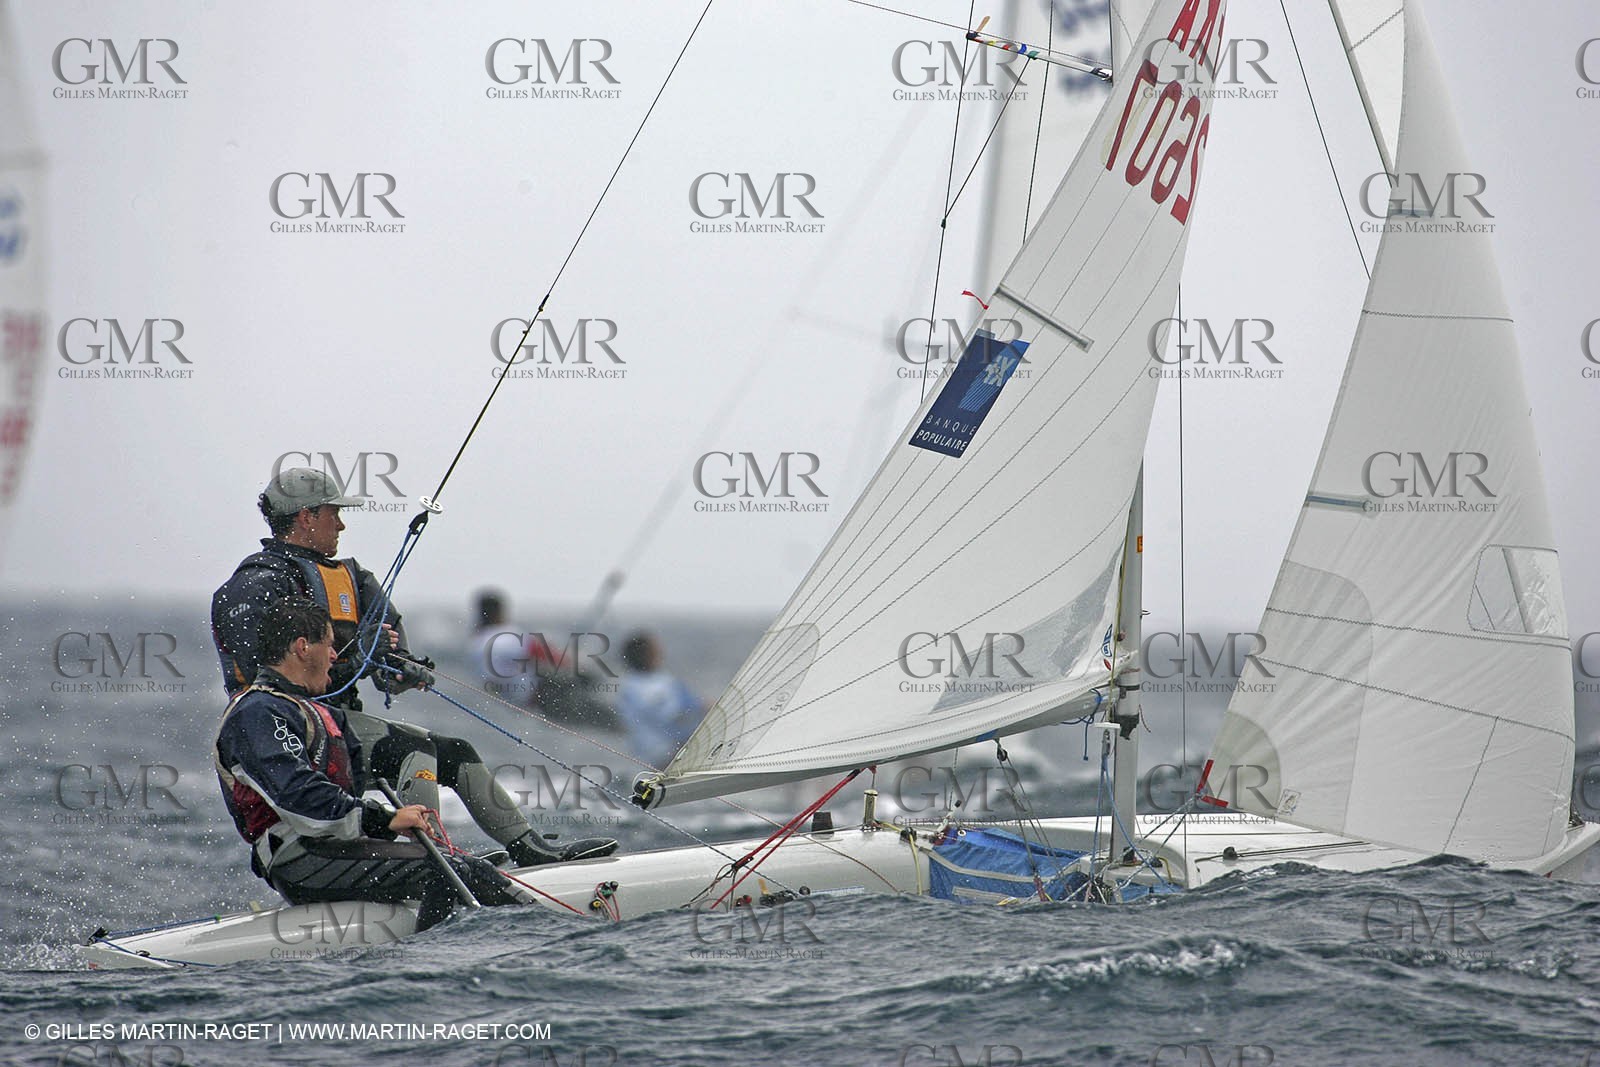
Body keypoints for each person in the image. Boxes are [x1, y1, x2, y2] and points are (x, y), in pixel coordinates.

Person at [211, 467, 616, 866]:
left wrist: (400, 671)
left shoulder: (352, 578)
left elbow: (387, 652)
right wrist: (357, 658)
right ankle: (433, 860)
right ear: (306, 516)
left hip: (339, 724)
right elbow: (277, 679)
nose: (341, 524)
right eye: (333, 512)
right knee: (412, 751)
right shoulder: (254, 585)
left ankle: (529, 848)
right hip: (292, 733)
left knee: (456, 753)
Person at [214, 597, 533, 930]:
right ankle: (439, 965)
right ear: (302, 648)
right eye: (329, 645)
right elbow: (299, 795)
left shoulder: (315, 711)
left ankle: (537, 929)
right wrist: (388, 819)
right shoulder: (257, 713)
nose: (335, 656)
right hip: (300, 860)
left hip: (333, 849)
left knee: (463, 867)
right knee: (448, 871)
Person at [617, 631, 703, 769]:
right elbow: (674, 718)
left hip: (646, 756)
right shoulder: (651, 687)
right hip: (664, 756)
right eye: (656, 650)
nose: (661, 653)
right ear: (647, 655)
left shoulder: (628, 685)